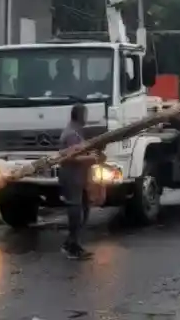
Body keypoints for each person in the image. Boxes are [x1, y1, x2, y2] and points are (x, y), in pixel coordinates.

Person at [59, 103, 102, 260]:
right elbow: (71, 157)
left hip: (78, 177)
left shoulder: (76, 132)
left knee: (84, 208)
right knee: (76, 209)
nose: (87, 117)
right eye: (85, 114)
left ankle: (72, 242)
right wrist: (92, 158)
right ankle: (72, 245)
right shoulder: (71, 134)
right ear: (79, 115)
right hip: (71, 176)